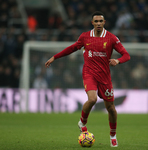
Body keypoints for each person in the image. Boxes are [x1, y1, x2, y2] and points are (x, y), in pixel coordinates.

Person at [45, 11, 130, 147]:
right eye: (95, 21)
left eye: (100, 21)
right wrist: (55, 57)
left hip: (105, 77)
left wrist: (118, 61)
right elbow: (72, 48)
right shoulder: (85, 37)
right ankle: (82, 122)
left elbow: (126, 55)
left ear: (104, 23)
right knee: (92, 99)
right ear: (92, 23)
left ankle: (113, 135)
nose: (98, 24)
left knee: (111, 108)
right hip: (89, 74)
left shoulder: (112, 38)